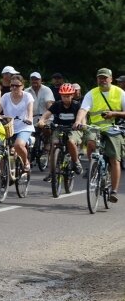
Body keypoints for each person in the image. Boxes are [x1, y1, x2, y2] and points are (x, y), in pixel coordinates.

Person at [73, 68, 125, 203]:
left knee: (114, 159)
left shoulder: (120, 93)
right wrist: (78, 121)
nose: (102, 80)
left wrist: (114, 114)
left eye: (105, 78)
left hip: (113, 128)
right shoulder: (92, 93)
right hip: (95, 127)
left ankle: (113, 191)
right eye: (100, 78)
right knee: (90, 142)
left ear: (111, 79)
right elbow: (83, 109)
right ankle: (93, 166)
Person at [37, 83, 83, 175]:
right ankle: (52, 173)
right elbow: (47, 113)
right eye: (63, 96)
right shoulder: (57, 104)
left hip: (73, 129)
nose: (65, 98)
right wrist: (42, 120)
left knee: (71, 141)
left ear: (72, 95)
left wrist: (80, 123)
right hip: (59, 128)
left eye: (68, 96)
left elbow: (82, 116)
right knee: (53, 145)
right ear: (60, 96)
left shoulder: (77, 105)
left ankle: (76, 162)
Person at [0, 74, 34, 172]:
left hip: (24, 126)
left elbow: (30, 110)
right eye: (12, 85)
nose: (14, 87)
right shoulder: (5, 96)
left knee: (18, 145)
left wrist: (29, 118)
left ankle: (25, 161)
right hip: (8, 127)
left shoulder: (27, 96)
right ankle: (1, 173)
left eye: (17, 86)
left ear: (22, 86)